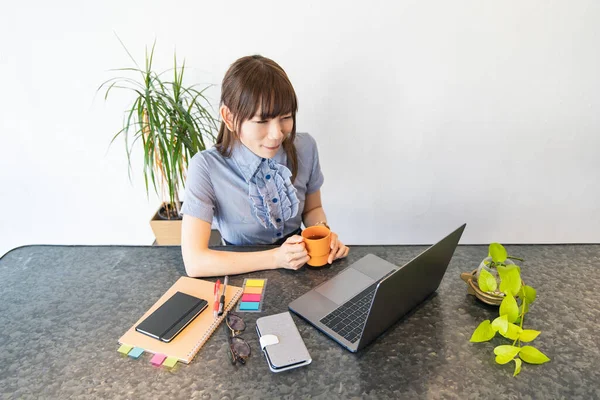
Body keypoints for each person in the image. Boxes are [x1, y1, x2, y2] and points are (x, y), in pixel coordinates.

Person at [181, 55, 349, 277]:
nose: (276, 134)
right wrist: (276, 258)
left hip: (298, 264)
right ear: (229, 118)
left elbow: (312, 209)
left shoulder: (305, 146)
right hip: (239, 269)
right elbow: (195, 262)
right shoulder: (205, 166)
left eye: (286, 117)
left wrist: (322, 235)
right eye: (262, 121)